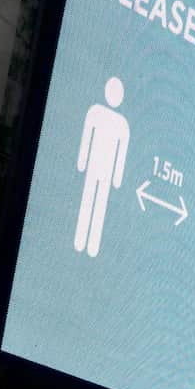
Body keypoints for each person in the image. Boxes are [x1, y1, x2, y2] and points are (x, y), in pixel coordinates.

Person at [74, 77, 130, 257]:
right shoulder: (95, 112)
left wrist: (117, 178)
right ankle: (81, 240)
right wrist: (82, 162)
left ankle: (92, 246)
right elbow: (87, 138)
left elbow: (121, 153)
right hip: (94, 167)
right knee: (88, 201)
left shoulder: (122, 124)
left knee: (99, 205)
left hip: (105, 172)